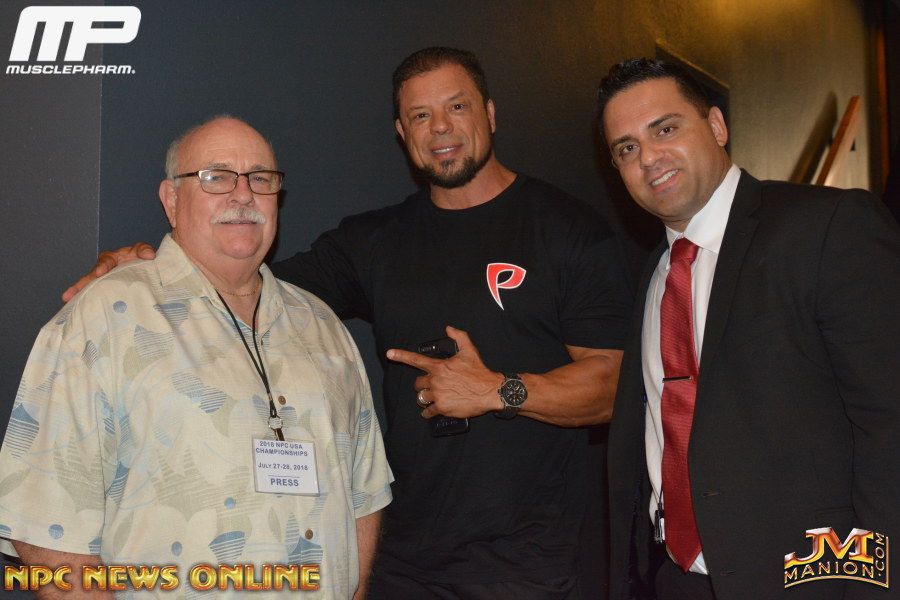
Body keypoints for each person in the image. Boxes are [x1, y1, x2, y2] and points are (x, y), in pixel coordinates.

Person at [61, 48, 633, 599]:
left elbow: (613, 385)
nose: (440, 127)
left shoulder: (567, 230)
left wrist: (497, 391)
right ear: (402, 133)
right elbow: (241, 279)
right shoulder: (374, 241)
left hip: (530, 563)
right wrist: (146, 264)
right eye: (420, 115)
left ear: (489, 113)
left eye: (456, 106)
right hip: (406, 564)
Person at [0, 116, 393, 599]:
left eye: (261, 179)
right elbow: (46, 530)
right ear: (171, 200)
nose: (243, 194)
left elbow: (364, 495)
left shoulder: (323, 327)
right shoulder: (105, 318)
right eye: (216, 177)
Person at [598, 58, 900, 600]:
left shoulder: (828, 228)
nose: (648, 158)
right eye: (626, 148)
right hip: (676, 580)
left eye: (665, 129)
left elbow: (889, 423)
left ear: (716, 125)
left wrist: (872, 585)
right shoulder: (653, 274)